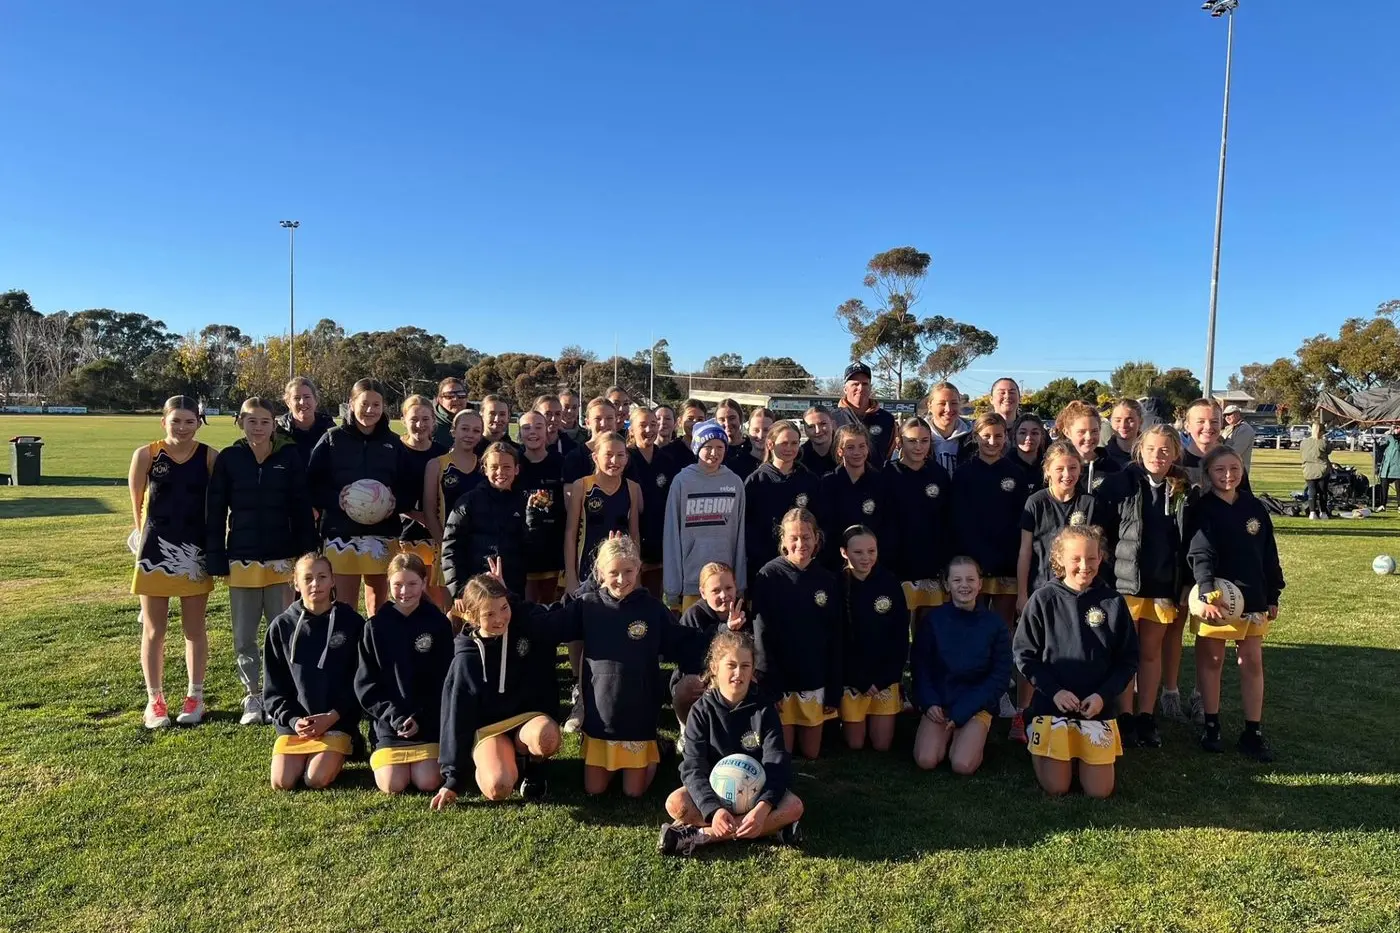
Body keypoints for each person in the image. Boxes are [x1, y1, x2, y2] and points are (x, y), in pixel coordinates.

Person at [206, 396, 316, 726]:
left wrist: (306, 555)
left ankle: (279, 695)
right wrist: (216, 557)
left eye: (264, 421)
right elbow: (215, 512)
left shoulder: (289, 456)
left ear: (274, 424)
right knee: (244, 636)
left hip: (281, 560)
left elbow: (301, 508)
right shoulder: (230, 458)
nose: (258, 427)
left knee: (282, 632)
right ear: (241, 422)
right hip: (241, 558)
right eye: (251, 420)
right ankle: (253, 695)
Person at [1014, 526, 1139, 798]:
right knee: (1058, 787)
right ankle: (1035, 729)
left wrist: (1103, 696)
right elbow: (1024, 655)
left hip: (1095, 707)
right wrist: (1054, 691)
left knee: (1099, 791)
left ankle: (1077, 753)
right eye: (1076, 559)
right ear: (1059, 560)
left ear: (1101, 557)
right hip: (1053, 705)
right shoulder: (1043, 599)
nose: (1085, 566)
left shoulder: (1113, 602)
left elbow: (1128, 660)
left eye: (1092, 558)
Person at [658, 630, 804, 857]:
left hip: (755, 796)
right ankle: (772, 831)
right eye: (731, 665)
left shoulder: (764, 709)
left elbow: (777, 762)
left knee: (795, 807)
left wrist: (762, 808)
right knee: (675, 803)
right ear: (715, 668)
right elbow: (693, 767)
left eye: (745, 666)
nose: (738, 673)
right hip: (715, 793)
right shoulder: (701, 711)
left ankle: (700, 836)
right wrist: (713, 810)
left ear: (753, 670)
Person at [432, 569, 569, 807]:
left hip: (526, 719)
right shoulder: (465, 658)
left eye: (504, 608)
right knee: (499, 788)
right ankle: (496, 763)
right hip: (489, 730)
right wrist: (452, 779)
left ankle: (534, 767)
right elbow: (455, 716)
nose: (500, 618)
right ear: (473, 617)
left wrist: (510, 596)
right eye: (489, 613)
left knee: (547, 737)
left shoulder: (523, 626)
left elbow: (550, 616)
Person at [574, 536, 698, 797]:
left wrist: (722, 631)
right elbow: (549, 620)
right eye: (613, 573)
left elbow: (683, 641)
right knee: (593, 789)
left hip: (637, 719)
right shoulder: (588, 605)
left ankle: (655, 751)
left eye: (628, 571)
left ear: (639, 567)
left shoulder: (652, 609)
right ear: (600, 574)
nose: (621, 579)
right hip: (601, 719)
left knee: (634, 793)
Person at [1095, 425, 1195, 748]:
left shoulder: (1181, 488)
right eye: (1151, 449)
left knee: (1151, 653)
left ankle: (1146, 716)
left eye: (1165, 450)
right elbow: (1101, 531)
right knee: (1126, 652)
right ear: (1140, 450)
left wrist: (1185, 582)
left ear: (1175, 454)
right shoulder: (1122, 483)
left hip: (1162, 584)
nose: (1158, 456)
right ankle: (1124, 716)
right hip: (1125, 585)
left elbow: (1188, 540)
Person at [1188, 446, 1284, 761]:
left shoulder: (1255, 507)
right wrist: (1206, 590)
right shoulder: (1203, 509)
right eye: (1220, 470)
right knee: (1212, 660)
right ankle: (1211, 725)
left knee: (1252, 662)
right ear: (1208, 474)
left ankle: (1252, 731)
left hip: (1253, 596)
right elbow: (1200, 553)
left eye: (1234, 468)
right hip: (1217, 598)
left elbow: (1269, 554)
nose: (1228, 475)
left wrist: (1272, 594)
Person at [128, 395, 218, 728]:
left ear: (198, 422)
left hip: (194, 554)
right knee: (154, 630)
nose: (182, 427)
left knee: (194, 628)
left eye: (189, 421)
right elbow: (138, 507)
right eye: (175, 420)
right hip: (154, 554)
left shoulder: (210, 456)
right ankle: (155, 701)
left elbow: (217, 504)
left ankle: (195, 697)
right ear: (163, 421)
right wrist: (142, 545)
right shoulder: (146, 455)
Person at [1013, 440, 1101, 743]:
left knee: (1068, 651)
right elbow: (1025, 552)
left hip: (1077, 594)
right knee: (1034, 653)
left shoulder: (1089, 503)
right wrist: (1022, 594)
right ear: (1047, 471)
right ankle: (1021, 713)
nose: (1067, 474)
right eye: (1060, 468)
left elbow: (1096, 551)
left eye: (1073, 468)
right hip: (1041, 590)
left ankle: (1069, 711)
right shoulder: (1035, 501)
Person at [306, 378, 409, 616]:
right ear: (351, 403)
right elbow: (311, 485)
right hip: (342, 535)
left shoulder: (393, 442)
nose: (370, 410)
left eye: (376, 404)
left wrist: (396, 502)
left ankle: (374, 650)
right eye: (364, 403)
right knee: (344, 606)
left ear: (384, 407)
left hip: (382, 534)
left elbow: (408, 486)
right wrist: (336, 500)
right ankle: (346, 651)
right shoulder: (332, 438)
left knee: (379, 605)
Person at [264, 553, 366, 790]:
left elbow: (361, 682)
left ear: (333, 581)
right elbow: (273, 690)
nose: (315, 584)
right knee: (282, 782)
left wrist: (333, 716)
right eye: (307, 578)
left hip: (336, 721)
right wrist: (294, 719)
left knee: (316, 779)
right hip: (297, 725)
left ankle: (349, 745)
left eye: (322, 577)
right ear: (296, 584)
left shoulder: (352, 623)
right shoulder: (281, 626)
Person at [562, 431, 642, 731]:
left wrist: (637, 571)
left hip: (620, 573)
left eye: (621, 455)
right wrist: (571, 575)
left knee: (614, 631)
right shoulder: (582, 486)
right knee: (579, 632)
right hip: (586, 570)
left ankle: (612, 695)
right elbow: (571, 533)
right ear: (595, 456)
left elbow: (634, 533)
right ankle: (578, 695)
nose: (615, 460)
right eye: (608, 454)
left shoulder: (632, 488)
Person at [356, 553, 454, 794]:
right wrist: (395, 717)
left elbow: (446, 681)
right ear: (388, 585)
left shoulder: (438, 624)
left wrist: (421, 717)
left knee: (428, 781)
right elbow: (366, 685)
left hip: (428, 723)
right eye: (397, 585)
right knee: (393, 784)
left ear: (424, 582)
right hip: (390, 724)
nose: (404, 591)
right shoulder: (375, 627)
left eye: (412, 584)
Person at [751, 508, 842, 759]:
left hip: (813, 678)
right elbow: (762, 634)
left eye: (806, 537)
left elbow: (835, 635)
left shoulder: (827, 580)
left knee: (811, 753)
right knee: (784, 754)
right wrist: (771, 685)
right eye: (793, 537)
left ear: (817, 539)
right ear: (783, 540)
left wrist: (833, 687)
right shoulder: (768, 576)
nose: (800, 543)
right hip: (782, 682)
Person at [911, 556, 1011, 774]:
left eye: (970, 579)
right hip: (941, 702)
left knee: (962, 765)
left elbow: (1000, 676)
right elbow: (920, 667)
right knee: (926, 760)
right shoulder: (933, 621)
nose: (964, 585)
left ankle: (972, 734)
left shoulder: (995, 625)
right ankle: (947, 733)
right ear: (947, 584)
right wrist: (929, 703)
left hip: (975, 704)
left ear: (980, 583)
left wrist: (965, 710)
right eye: (957, 580)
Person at [951, 413, 1029, 632]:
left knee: (1003, 626)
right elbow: (959, 521)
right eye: (986, 436)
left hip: (1007, 563)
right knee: (973, 623)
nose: (992, 441)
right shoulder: (963, 474)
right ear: (976, 437)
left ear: (1006, 437)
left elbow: (1021, 520)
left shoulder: (1016, 473)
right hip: (974, 564)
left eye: (998, 436)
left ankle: (1001, 665)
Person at [662, 419, 747, 611]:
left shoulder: (734, 482)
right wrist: (673, 586)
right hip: (691, 582)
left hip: (725, 585)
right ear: (697, 447)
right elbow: (671, 535)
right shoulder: (682, 482)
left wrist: (739, 582)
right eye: (708, 446)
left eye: (719, 447)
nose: (714, 452)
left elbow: (739, 536)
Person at [838, 527, 909, 752]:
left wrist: (884, 678)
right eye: (858, 552)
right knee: (856, 744)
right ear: (844, 553)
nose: (866, 558)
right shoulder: (836, 585)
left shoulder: (889, 582)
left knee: (881, 745)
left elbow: (900, 637)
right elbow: (836, 643)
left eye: (871, 551)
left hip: (883, 679)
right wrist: (858, 679)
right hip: (852, 679)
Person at [671, 562, 746, 742]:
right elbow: (690, 659)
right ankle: (688, 730)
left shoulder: (745, 613)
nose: (724, 595)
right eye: (716, 591)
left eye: (728, 588)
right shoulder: (693, 615)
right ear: (703, 593)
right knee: (689, 685)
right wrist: (726, 629)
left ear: (736, 587)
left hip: (734, 675)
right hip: (701, 676)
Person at [441, 442, 528, 599]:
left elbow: (529, 547)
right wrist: (458, 590)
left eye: (507, 467)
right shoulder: (468, 501)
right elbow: (451, 546)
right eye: (494, 467)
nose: (500, 472)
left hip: (513, 587)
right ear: (485, 469)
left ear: (516, 469)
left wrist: (534, 522)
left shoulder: (523, 502)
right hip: (476, 587)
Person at [887, 417, 953, 617]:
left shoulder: (939, 475)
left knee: (927, 629)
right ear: (900, 442)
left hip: (930, 563)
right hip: (897, 565)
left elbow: (947, 519)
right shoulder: (887, 475)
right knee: (898, 625)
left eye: (924, 441)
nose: (918, 447)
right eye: (912, 441)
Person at [743, 421, 821, 590]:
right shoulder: (756, 481)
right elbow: (747, 527)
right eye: (784, 443)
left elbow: (819, 521)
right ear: (770, 444)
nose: (790, 448)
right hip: (764, 566)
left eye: (794, 443)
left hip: (802, 564)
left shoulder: (809, 480)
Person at [817, 424, 895, 569]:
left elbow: (887, 525)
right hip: (836, 563)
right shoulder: (828, 483)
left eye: (861, 446)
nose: (857, 452)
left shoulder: (880, 483)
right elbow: (825, 527)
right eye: (850, 447)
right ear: (840, 451)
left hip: (872, 563)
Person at [397, 395, 449, 595]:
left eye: (426, 419)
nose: (420, 424)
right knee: (409, 592)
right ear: (403, 420)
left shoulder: (442, 454)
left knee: (435, 594)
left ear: (434, 421)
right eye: (414, 419)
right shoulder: (395, 450)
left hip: (436, 533)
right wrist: (419, 516)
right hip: (405, 534)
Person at [625, 406, 677, 597]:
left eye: (653, 424)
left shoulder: (667, 460)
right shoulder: (625, 459)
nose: (649, 430)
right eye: (643, 425)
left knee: (654, 597)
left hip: (659, 541)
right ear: (631, 429)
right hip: (631, 540)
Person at [516, 410, 567, 603]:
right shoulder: (513, 463)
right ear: (519, 433)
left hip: (552, 550)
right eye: (526, 428)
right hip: (521, 551)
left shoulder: (561, 463)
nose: (533, 432)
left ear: (547, 431)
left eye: (538, 427)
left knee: (550, 607)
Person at [424, 409, 485, 552]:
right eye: (464, 429)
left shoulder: (485, 466)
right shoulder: (436, 465)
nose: (470, 435)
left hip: (479, 550)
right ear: (453, 431)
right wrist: (446, 547)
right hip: (448, 549)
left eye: (476, 431)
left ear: (481, 435)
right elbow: (429, 513)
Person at [831, 362, 897, 463]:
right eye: (855, 384)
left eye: (865, 384)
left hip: (877, 477)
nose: (860, 388)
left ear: (870, 388)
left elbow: (888, 454)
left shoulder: (887, 419)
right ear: (845, 389)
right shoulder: (832, 418)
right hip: (840, 478)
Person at [1057, 400, 1120, 493]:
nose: (1089, 437)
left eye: (1094, 431)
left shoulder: (1112, 466)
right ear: (1067, 432)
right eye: (1081, 432)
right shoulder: (1058, 467)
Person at [277, 376, 335, 464]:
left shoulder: (330, 430)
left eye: (307, 397)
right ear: (288, 403)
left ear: (315, 400)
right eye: (297, 398)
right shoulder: (280, 431)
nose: (302, 402)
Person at [562, 397, 619, 485]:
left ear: (616, 421)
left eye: (609, 418)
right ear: (588, 423)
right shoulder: (575, 457)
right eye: (598, 419)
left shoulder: (625, 455)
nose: (604, 423)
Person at [927, 382, 975, 474]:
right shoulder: (918, 437)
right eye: (942, 403)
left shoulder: (973, 436)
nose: (948, 409)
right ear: (930, 406)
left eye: (953, 403)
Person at [716, 398, 758, 480]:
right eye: (722, 420)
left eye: (732, 418)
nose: (727, 424)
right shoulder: (714, 449)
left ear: (740, 418)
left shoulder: (752, 446)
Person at [1300, 421, 1332, 520]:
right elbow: (1329, 450)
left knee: (1311, 491)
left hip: (1308, 469)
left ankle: (1312, 512)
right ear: (1322, 432)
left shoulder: (1304, 442)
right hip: (1322, 469)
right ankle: (1323, 512)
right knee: (1322, 492)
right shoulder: (1323, 442)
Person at [1009, 414, 1047, 494]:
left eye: (1034, 433)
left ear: (1041, 436)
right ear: (1015, 436)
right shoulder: (1005, 465)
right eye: (1023, 433)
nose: (1028, 437)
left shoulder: (1049, 465)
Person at [432, 377, 472, 449]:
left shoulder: (477, 420)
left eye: (461, 394)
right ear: (440, 400)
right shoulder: (430, 425)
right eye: (449, 395)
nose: (456, 399)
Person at [532, 393, 576, 458]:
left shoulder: (572, 448)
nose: (553, 419)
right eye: (548, 414)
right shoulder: (527, 448)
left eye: (557, 414)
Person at [1105, 399, 1144, 470]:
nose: (1123, 425)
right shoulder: (1103, 457)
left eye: (1129, 420)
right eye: (1118, 420)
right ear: (1111, 422)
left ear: (1140, 422)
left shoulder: (1151, 454)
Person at [799, 405, 837, 476]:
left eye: (823, 424)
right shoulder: (799, 457)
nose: (817, 431)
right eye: (811, 427)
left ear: (833, 424)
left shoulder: (847, 453)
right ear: (805, 430)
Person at [1221, 405, 1256, 473]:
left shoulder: (1245, 429)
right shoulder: (1228, 428)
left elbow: (1236, 451)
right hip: (1226, 468)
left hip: (1238, 470)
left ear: (1237, 414)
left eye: (1229, 414)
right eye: (1225, 415)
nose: (1227, 417)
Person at [1374, 424, 1400, 510]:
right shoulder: (1390, 438)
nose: (1396, 429)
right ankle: (1382, 505)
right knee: (1383, 487)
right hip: (1386, 468)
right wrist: (1376, 444)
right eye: (1396, 428)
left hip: (1398, 468)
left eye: (1398, 428)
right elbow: (1381, 448)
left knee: (1399, 488)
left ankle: (1399, 505)